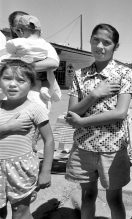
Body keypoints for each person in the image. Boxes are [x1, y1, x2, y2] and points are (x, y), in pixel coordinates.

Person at [64, 23, 132, 219]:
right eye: (96, 40)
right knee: (88, 195)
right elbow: (72, 111)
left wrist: (83, 122)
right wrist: (95, 94)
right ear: (90, 40)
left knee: (114, 199)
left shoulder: (125, 73)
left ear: (116, 46)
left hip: (112, 149)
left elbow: (120, 112)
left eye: (107, 42)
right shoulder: (80, 75)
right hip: (84, 147)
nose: (100, 46)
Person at [0, 60, 54, 219]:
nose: (12, 84)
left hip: (21, 169)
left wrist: (46, 171)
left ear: (31, 84)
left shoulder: (35, 109)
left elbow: (49, 140)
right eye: (7, 78)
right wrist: (7, 128)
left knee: (20, 212)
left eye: (20, 80)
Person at [3, 11, 61, 111]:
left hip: (36, 97)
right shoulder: (9, 45)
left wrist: (20, 67)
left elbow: (53, 63)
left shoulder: (42, 44)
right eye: (19, 24)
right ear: (13, 28)